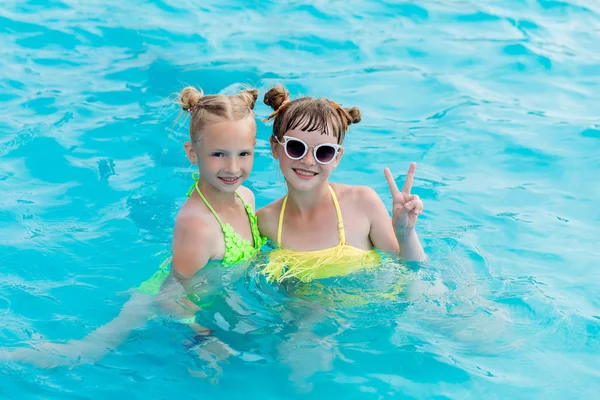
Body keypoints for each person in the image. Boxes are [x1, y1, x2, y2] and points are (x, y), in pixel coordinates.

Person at [1, 85, 265, 368]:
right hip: (156, 302)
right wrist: (201, 337)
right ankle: (12, 356)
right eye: (218, 154)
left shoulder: (245, 197)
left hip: (198, 293)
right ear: (192, 153)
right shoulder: (198, 224)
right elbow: (169, 299)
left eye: (243, 154)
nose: (233, 167)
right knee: (84, 353)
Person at [257, 85, 426, 284]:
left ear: (337, 157)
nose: (309, 161)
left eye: (324, 151)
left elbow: (409, 272)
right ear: (275, 148)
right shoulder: (265, 222)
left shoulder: (362, 202)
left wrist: (405, 234)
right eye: (296, 147)